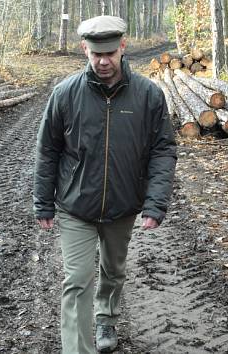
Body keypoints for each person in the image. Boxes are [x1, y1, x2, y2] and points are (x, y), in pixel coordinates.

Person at [32, 15, 177, 354]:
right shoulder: (65, 94)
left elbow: (163, 150)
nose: (102, 61)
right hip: (75, 207)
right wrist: (43, 202)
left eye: (110, 53)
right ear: (85, 49)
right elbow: (47, 150)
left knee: (113, 271)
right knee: (77, 282)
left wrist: (155, 203)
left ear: (122, 47)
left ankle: (107, 316)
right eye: (95, 54)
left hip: (123, 206)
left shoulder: (148, 95)